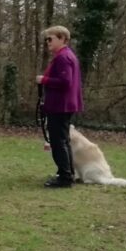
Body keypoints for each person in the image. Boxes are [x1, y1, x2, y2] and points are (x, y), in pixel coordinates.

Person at [36, 26, 83, 188]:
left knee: (58, 142)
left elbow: (65, 82)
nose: (48, 42)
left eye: (51, 39)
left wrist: (44, 80)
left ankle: (64, 177)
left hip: (60, 105)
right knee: (64, 140)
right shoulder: (66, 56)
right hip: (63, 105)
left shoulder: (63, 57)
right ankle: (67, 173)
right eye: (47, 39)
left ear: (62, 38)